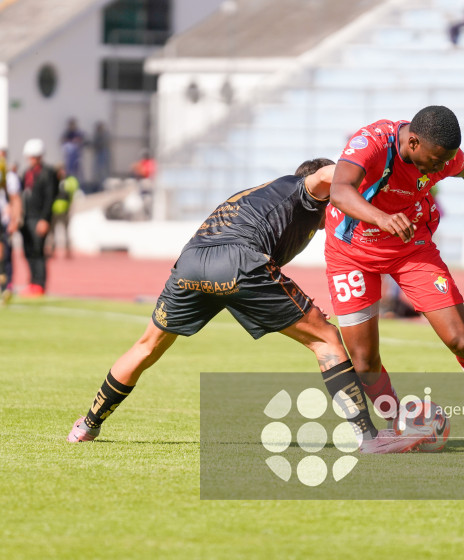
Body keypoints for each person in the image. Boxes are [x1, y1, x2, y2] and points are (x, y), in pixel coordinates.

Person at [67, 159, 427, 454]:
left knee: (146, 346)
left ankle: (87, 425)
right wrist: (355, 178)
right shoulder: (304, 189)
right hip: (239, 262)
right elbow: (325, 176)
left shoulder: (261, 196)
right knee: (326, 340)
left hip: (191, 262)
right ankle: (368, 438)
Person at [325, 105, 464, 434]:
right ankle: (399, 419)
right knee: (364, 360)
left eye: (446, 161)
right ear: (412, 143)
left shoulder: (441, 153)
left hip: (409, 248)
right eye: (436, 160)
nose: (441, 168)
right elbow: (339, 190)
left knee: (460, 339)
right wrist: (381, 218)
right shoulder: (372, 142)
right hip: (351, 252)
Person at [20, 139, 58, 296]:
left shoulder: (48, 173)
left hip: (39, 217)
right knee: (27, 251)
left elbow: (50, 198)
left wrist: (45, 219)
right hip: (26, 217)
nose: (32, 159)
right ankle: (32, 281)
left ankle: (40, 283)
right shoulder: (27, 173)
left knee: (38, 251)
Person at [1, 150, 22, 305]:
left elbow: (15, 199)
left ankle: (5, 286)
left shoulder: (8, 175)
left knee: (4, 253)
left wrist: (15, 220)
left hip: (3, 220)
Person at [47, 165, 80, 259]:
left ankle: (68, 251)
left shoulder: (69, 181)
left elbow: (72, 193)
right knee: (52, 233)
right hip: (53, 210)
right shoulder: (52, 181)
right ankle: (51, 250)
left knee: (66, 232)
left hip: (65, 210)